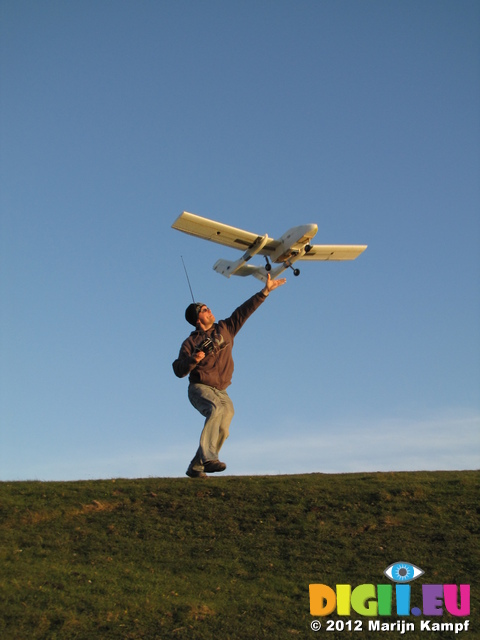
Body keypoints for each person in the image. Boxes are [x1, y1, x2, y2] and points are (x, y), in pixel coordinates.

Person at [172, 274, 286, 478]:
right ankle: (209, 459)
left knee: (224, 427)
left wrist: (265, 292)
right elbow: (178, 370)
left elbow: (244, 311)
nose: (210, 311)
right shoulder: (189, 343)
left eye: (208, 307)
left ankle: (196, 466)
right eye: (205, 310)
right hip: (200, 388)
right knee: (215, 410)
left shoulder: (225, 328)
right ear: (198, 320)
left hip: (222, 390)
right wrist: (194, 359)